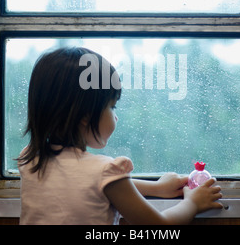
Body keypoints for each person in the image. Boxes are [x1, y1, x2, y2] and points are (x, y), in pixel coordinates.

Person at [17, 47, 222, 225]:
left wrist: (157, 187)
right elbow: (158, 225)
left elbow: (83, 182)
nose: (116, 116)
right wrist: (192, 203)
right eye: (111, 106)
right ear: (86, 116)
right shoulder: (105, 171)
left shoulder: (30, 159)